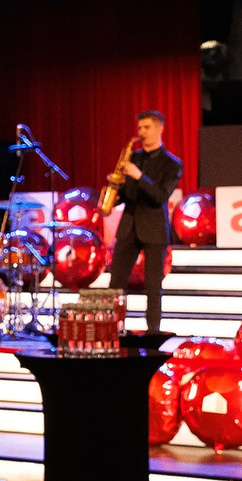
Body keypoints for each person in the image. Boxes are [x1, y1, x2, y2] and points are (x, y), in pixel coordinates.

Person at [102, 109, 183, 333]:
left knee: (153, 286)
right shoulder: (133, 157)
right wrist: (113, 195)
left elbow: (160, 196)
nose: (142, 132)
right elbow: (127, 194)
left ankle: (153, 333)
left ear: (160, 128)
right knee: (115, 283)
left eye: (147, 127)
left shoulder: (172, 164)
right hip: (128, 226)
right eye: (140, 128)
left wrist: (139, 176)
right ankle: (112, 329)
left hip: (154, 229)